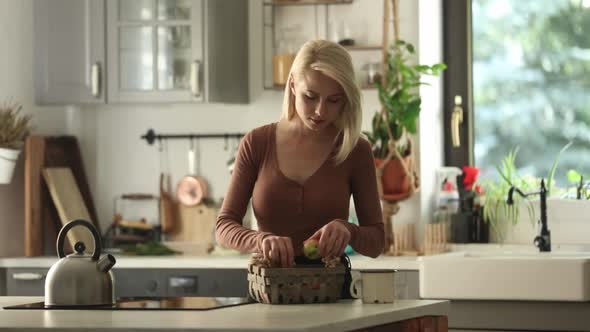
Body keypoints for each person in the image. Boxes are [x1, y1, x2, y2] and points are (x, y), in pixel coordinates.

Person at [215, 39, 384, 269]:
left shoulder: (355, 149)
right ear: (293, 85)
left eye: (333, 100)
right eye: (310, 96)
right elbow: (224, 226)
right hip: (270, 291)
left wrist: (349, 231)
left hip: (332, 294)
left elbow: (376, 243)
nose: (320, 111)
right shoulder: (256, 143)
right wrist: (260, 239)